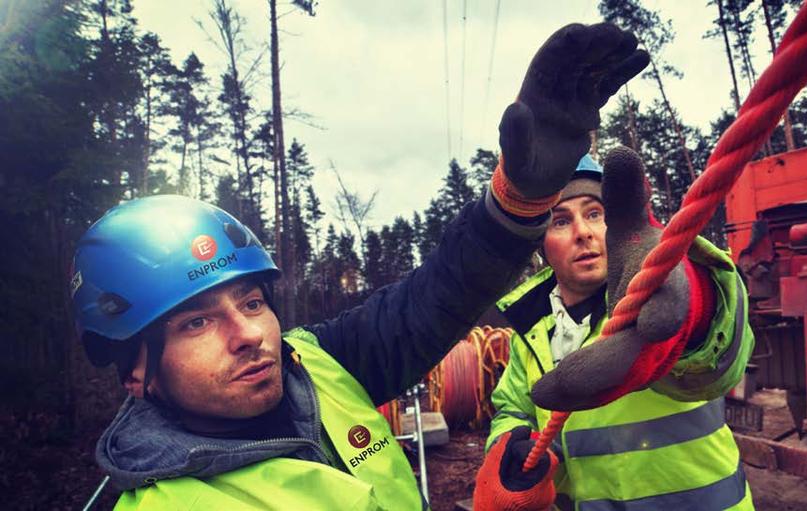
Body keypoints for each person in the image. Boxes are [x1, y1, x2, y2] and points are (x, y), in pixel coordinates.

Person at [71, 23, 650, 510]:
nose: (249, 334)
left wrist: (518, 201)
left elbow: (437, 297)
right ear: (136, 373)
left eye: (250, 302)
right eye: (195, 322)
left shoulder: (317, 366)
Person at [473, 146, 756, 511]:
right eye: (560, 220)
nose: (583, 233)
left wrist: (691, 301)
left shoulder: (653, 295)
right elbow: (513, 409)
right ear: (542, 245)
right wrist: (511, 448)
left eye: (595, 214)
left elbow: (720, 359)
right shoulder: (531, 329)